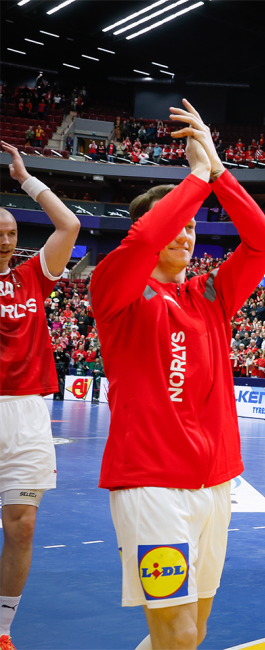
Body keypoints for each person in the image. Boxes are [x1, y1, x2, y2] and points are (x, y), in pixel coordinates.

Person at [89, 100, 265, 650]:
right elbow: (145, 241)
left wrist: (218, 171)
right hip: (149, 484)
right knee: (176, 634)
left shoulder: (209, 295)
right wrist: (194, 178)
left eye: (194, 227)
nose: (187, 235)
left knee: (190, 636)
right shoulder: (115, 289)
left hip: (217, 482)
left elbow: (263, 243)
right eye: (178, 223)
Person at [0, 142, 80, 649]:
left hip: (28, 413)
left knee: (23, 526)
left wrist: (26, 179)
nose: (6, 241)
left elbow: (68, 226)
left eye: (10, 233)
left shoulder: (31, 276)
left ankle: (2, 629)